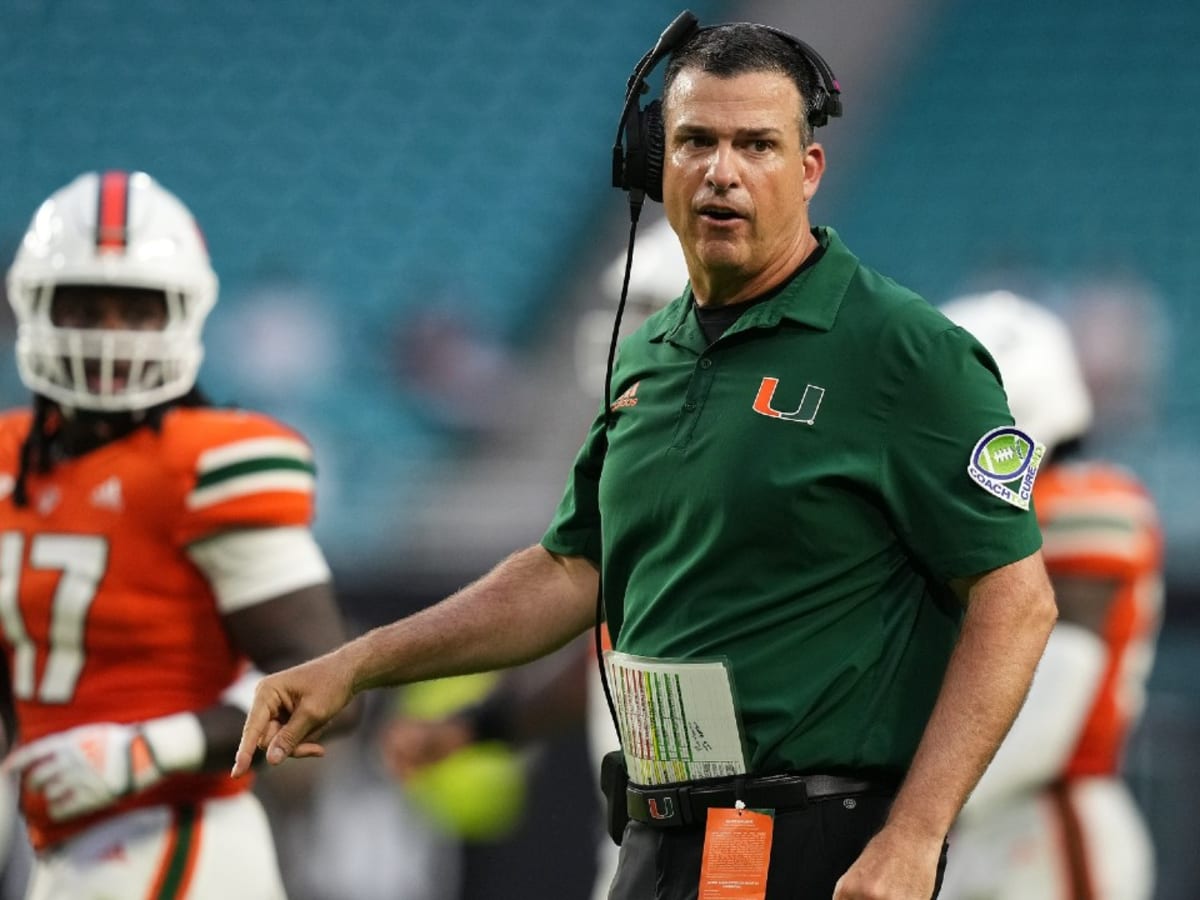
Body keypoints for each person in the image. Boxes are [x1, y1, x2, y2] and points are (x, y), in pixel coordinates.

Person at [235, 18, 1058, 900]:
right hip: (657, 834)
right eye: (696, 141)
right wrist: (354, 663)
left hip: (815, 844)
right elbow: (569, 571)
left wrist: (915, 836)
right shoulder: (648, 356)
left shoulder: (905, 353)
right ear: (653, 163)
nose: (723, 170)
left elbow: (1016, 600)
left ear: (809, 170)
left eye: (758, 145)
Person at [0, 170, 355, 899]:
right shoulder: (9, 459)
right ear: (33, 307)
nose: (109, 335)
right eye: (85, 307)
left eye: (135, 310)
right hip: (58, 849)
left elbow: (339, 688)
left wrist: (149, 749)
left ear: (183, 314)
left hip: (178, 839)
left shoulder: (208, 462)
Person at [936, 291, 1163, 900]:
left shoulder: (1084, 505)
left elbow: (1051, 704)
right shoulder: (983, 516)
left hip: (1042, 819)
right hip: (976, 818)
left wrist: (920, 809)